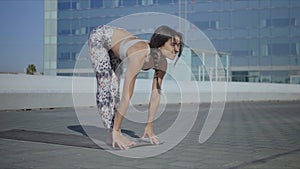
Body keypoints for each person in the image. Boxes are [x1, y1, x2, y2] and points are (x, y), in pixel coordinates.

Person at [88, 25, 183, 150]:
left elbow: (155, 95)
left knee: (115, 90)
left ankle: (113, 132)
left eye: (179, 45)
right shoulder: (139, 54)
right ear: (161, 42)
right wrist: (116, 130)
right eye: (173, 44)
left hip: (118, 47)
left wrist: (149, 125)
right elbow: (127, 95)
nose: (177, 49)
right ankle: (114, 133)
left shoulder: (162, 63)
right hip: (101, 37)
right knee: (106, 84)